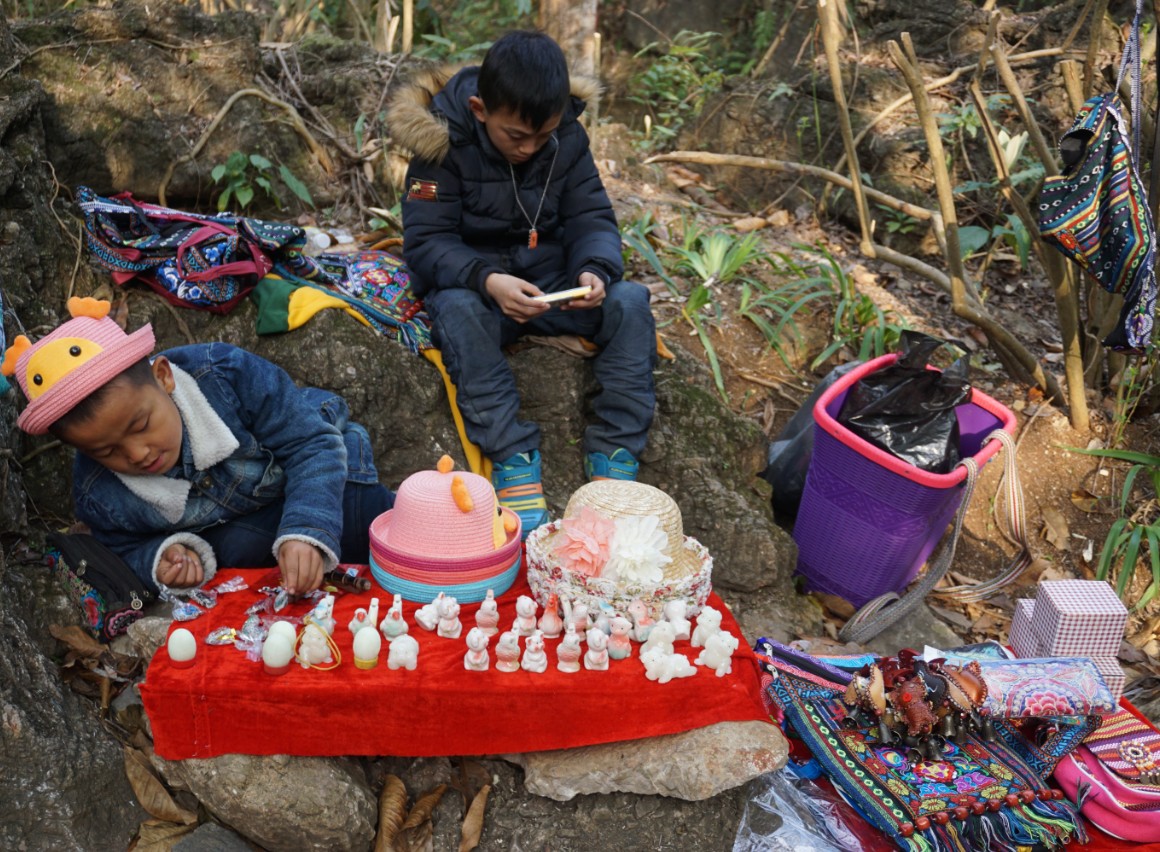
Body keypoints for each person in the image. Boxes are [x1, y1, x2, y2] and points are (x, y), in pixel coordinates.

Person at [390, 29, 657, 538]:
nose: (530, 147)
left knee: (629, 301)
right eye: (517, 136)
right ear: (480, 108)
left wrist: (594, 271)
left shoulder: (567, 136)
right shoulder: (440, 143)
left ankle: (616, 453)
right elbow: (426, 243)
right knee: (456, 310)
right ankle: (512, 453)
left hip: (555, 283)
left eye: (543, 134)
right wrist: (488, 279)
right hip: (480, 289)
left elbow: (592, 218)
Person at [1, 297, 394, 597]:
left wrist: (307, 530)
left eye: (141, 425)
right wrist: (165, 557)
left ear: (163, 378)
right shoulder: (98, 490)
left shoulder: (226, 376)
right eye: (106, 451)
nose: (136, 454)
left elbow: (312, 444)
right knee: (236, 551)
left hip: (314, 472)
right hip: (237, 526)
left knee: (371, 521)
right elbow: (119, 547)